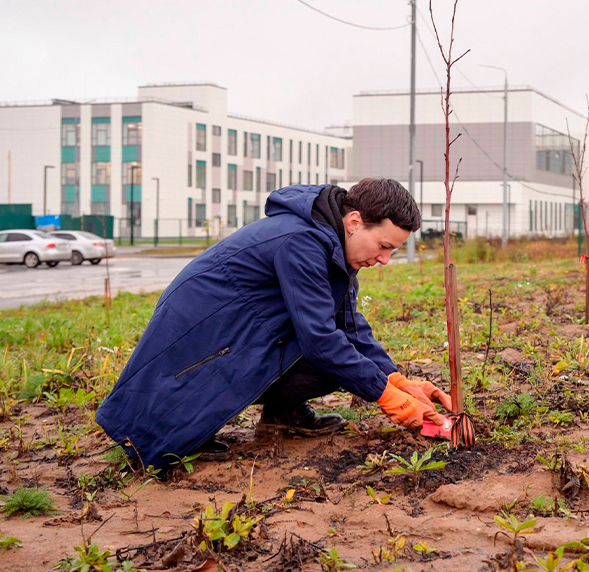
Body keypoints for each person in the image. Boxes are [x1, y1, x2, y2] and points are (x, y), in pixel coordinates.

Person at [95, 179, 452, 471]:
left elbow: (348, 325)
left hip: (241, 334)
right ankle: (170, 427)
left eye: (392, 251)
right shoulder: (301, 241)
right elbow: (321, 339)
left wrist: (395, 379)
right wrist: (385, 395)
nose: (385, 259)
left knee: (339, 362)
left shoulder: (333, 248)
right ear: (355, 222)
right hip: (201, 339)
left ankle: (284, 415)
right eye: (384, 246)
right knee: (173, 436)